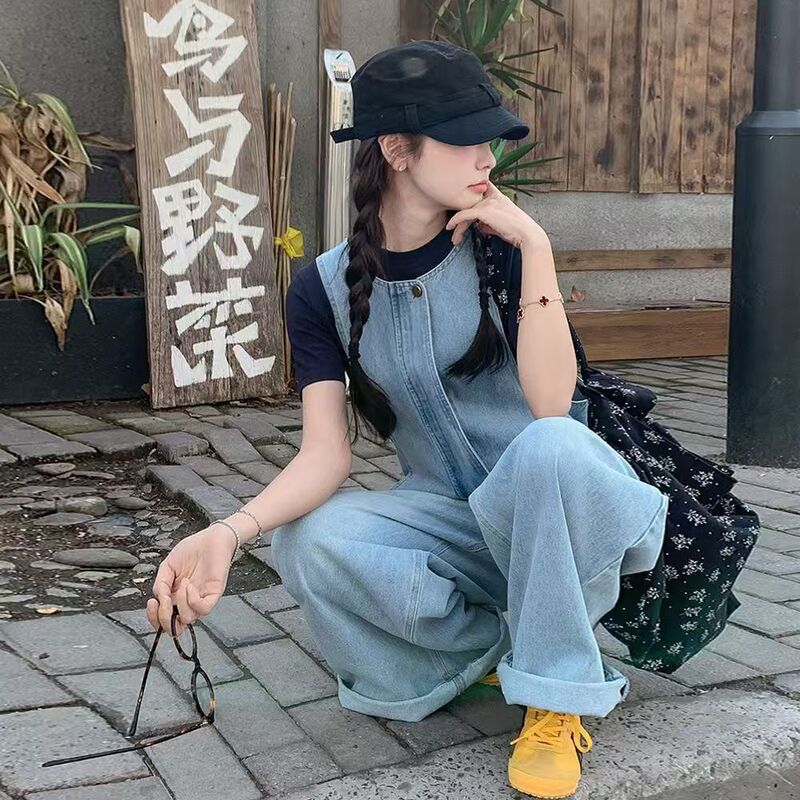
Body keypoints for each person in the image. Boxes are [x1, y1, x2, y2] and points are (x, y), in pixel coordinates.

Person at [146, 39, 669, 799]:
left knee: (549, 445)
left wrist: (537, 247)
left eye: (491, 138)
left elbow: (554, 406)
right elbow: (325, 454)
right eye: (465, 139)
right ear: (396, 149)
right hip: (455, 522)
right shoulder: (321, 290)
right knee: (310, 539)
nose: (487, 156)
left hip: (569, 510)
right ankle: (485, 650)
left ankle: (557, 694)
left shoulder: (505, 248)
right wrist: (228, 532)